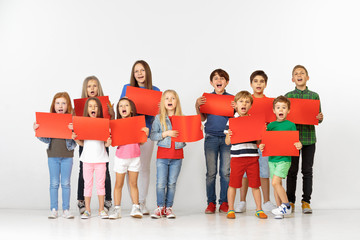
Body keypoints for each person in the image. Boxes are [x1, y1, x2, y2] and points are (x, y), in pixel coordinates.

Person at [120, 60, 160, 215]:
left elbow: (159, 113)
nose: (139, 73)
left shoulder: (155, 90)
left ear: (147, 72)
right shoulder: (127, 88)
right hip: (129, 131)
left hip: (147, 132)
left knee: (143, 168)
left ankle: (142, 202)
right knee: (131, 168)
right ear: (133, 74)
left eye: (142, 70)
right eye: (136, 71)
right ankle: (134, 203)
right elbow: (121, 108)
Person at [285, 65, 323, 213]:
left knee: (307, 171)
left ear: (307, 77)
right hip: (292, 139)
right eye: (296, 73)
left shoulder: (314, 96)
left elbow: (318, 118)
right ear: (292, 79)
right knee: (291, 171)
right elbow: (281, 115)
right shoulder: (288, 96)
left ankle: (306, 201)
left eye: (302, 73)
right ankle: (291, 201)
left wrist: (320, 118)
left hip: (309, 139)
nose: (299, 75)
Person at [236, 70, 276, 213]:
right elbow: (240, 120)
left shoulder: (271, 102)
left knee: (264, 172)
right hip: (247, 143)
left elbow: (274, 122)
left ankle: (266, 201)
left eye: (262, 81)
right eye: (256, 81)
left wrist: (267, 127)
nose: (259, 84)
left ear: (266, 84)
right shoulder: (246, 100)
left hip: (264, 143)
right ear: (251, 83)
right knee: (245, 174)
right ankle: (242, 201)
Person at [224, 91, 267, 219]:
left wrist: (262, 132)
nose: (244, 104)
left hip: (253, 158)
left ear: (250, 106)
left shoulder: (254, 121)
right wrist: (229, 135)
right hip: (237, 159)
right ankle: (230, 209)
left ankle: (259, 209)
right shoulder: (231, 121)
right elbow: (227, 142)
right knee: (233, 184)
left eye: (247, 102)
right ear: (236, 105)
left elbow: (259, 142)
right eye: (241, 101)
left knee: (255, 185)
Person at [195, 69, 233, 214]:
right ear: (211, 82)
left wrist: (236, 110)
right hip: (210, 137)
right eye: (216, 78)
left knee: (225, 172)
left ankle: (224, 202)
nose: (219, 80)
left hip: (226, 138)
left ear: (226, 82)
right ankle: (211, 203)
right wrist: (197, 105)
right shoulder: (206, 98)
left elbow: (237, 118)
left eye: (222, 78)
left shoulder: (232, 99)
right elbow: (202, 119)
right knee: (211, 172)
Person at [33, 92, 76, 219]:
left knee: (66, 183)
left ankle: (66, 209)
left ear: (68, 105)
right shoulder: (50, 120)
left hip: (67, 156)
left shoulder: (72, 121)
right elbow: (46, 139)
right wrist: (37, 130)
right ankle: (54, 209)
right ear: (54, 105)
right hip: (53, 156)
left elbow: (77, 141)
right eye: (57, 103)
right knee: (54, 183)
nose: (60, 106)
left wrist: (74, 130)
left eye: (63, 103)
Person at [259, 96, 302, 219]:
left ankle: (286, 206)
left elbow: (296, 142)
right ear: (274, 110)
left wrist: (299, 145)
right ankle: (280, 209)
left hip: (284, 160)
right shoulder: (271, 126)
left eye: (283, 107)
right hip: (272, 160)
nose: (281, 110)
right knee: (276, 184)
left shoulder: (291, 125)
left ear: (288, 110)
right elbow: (265, 142)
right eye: (278, 107)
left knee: (275, 182)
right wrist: (262, 146)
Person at [76, 76, 114, 214]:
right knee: (84, 171)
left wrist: (112, 113)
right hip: (86, 141)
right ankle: (82, 201)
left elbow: (111, 123)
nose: (92, 88)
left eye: (95, 86)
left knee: (104, 172)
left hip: (101, 142)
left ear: (99, 88)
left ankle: (106, 201)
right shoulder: (81, 105)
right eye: (89, 86)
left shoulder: (105, 103)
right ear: (85, 89)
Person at [109, 98, 149, 219]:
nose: (123, 107)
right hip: (121, 158)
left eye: (126, 105)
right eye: (121, 106)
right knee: (118, 184)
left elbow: (141, 143)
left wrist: (145, 134)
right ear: (118, 110)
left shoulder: (137, 123)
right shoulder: (116, 124)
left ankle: (136, 207)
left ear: (131, 108)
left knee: (133, 184)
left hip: (134, 158)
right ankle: (117, 209)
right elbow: (113, 143)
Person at [150, 90, 186, 219]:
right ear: (162, 102)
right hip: (162, 156)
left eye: (172, 98)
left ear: (177, 102)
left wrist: (197, 129)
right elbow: (153, 135)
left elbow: (189, 135)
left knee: (171, 183)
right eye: (167, 98)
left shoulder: (182, 119)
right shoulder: (158, 118)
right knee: (161, 183)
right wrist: (166, 133)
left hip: (177, 157)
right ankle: (160, 207)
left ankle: (169, 208)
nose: (170, 100)